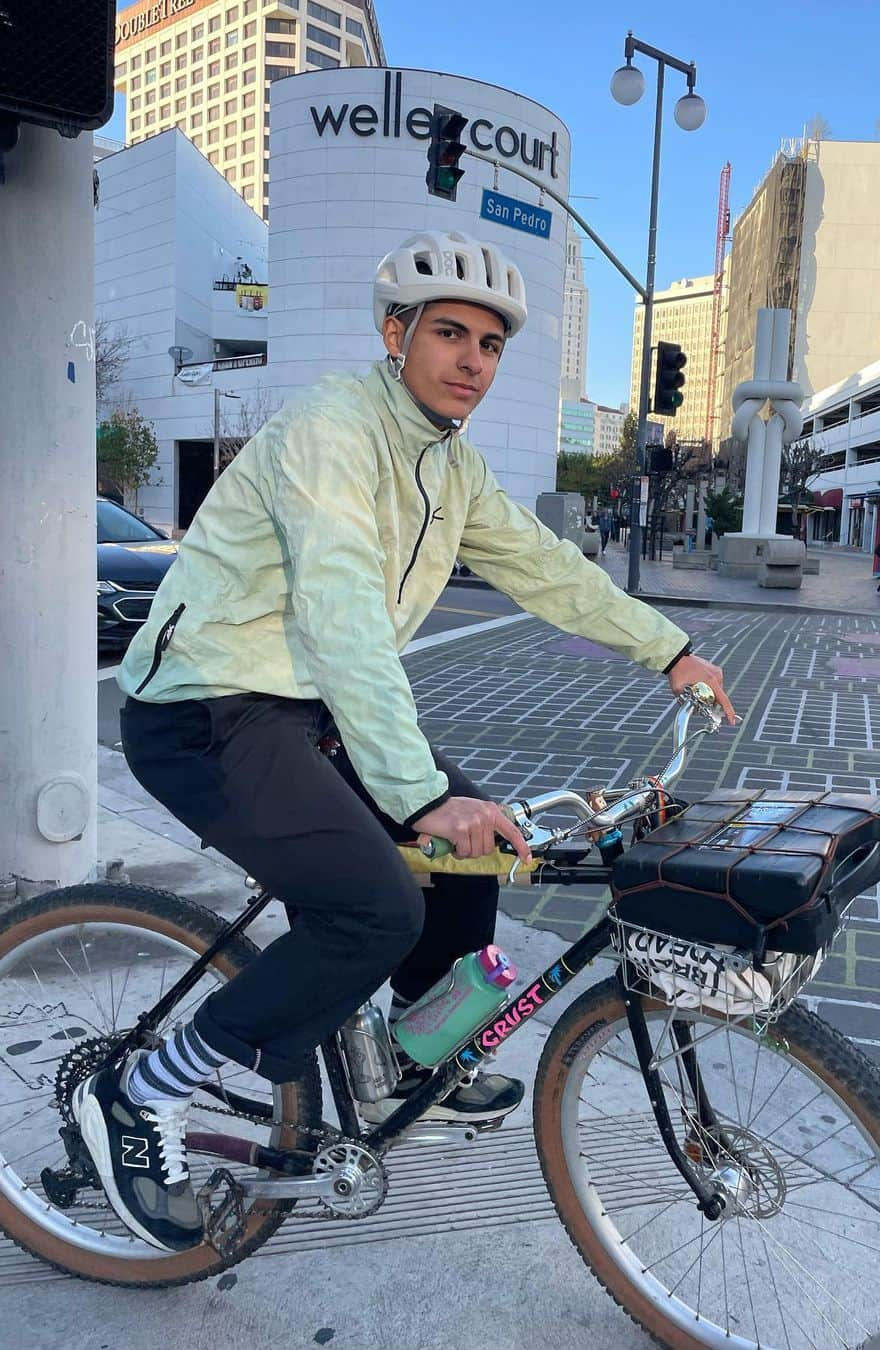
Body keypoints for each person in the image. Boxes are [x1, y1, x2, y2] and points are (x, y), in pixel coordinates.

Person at [73, 229, 738, 1254]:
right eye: (449, 333)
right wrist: (421, 792)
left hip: (307, 713)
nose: (473, 359)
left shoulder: (448, 465)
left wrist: (672, 652)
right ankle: (144, 1089)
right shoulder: (333, 430)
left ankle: (417, 1045)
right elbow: (341, 615)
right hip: (205, 711)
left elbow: (546, 568)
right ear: (397, 334)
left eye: (490, 343)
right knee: (372, 908)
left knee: (476, 860)